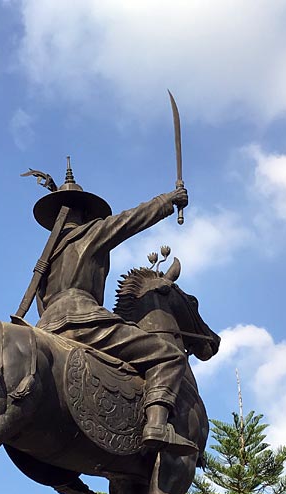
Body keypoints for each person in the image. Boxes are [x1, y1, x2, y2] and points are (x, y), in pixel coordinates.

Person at [32, 161, 197, 455]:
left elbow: (39, 301)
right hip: (83, 318)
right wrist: (168, 201)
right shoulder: (89, 234)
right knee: (169, 355)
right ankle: (157, 425)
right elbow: (130, 220)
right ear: (86, 213)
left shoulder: (47, 256)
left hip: (46, 328)